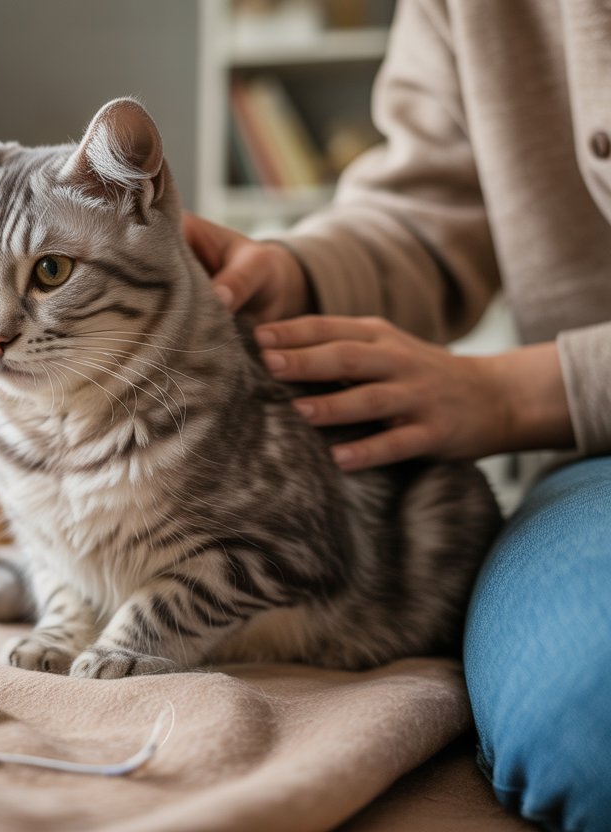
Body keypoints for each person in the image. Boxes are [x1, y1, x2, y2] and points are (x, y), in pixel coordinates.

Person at [182, 1, 611, 829]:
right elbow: (426, 212)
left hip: (560, 413)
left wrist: (521, 394)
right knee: (587, 714)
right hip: (597, 461)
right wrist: (296, 273)